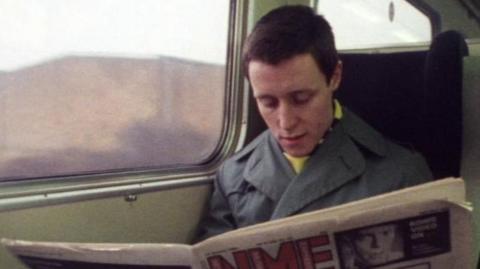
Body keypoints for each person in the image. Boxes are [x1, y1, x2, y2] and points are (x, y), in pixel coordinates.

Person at [195, 5, 432, 240]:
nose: (286, 123)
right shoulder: (233, 176)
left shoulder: (402, 175)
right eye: (268, 102)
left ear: (335, 76)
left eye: (301, 99)